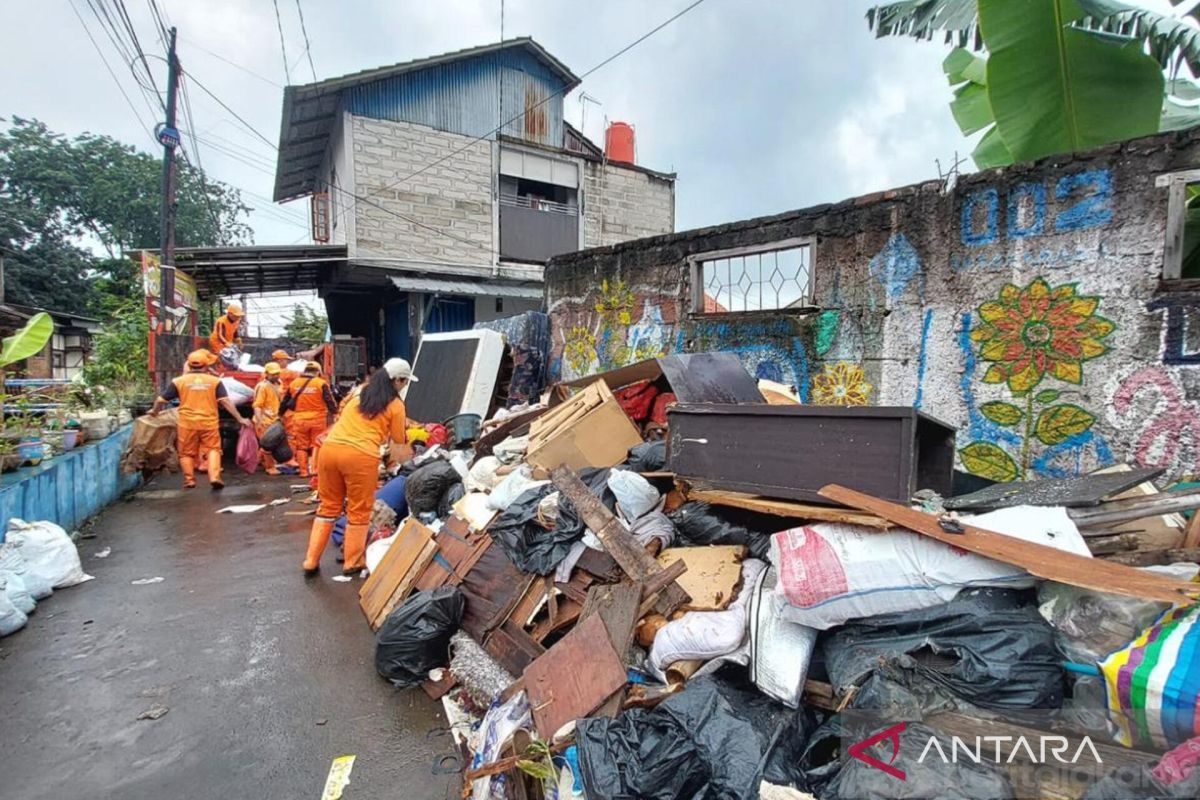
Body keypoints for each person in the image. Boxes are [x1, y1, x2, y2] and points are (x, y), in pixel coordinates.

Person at [303, 358, 418, 577]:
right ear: (398, 380)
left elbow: (341, 413)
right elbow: (397, 438)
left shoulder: (359, 392)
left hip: (329, 450)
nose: (404, 386)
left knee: (328, 507)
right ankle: (353, 562)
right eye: (404, 382)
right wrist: (411, 435)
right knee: (359, 510)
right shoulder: (395, 405)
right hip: (360, 456)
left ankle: (310, 560)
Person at [151, 349, 251, 489]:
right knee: (213, 450)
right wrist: (240, 418)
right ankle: (215, 477)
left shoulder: (178, 381)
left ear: (189, 365)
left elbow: (161, 400)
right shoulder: (214, 381)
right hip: (208, 423)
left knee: (186, 453)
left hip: (187, 423)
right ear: (206, 366)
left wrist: (154, 412)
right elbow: (225, 402)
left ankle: (189, 480)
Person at [283, 360, 337, 478]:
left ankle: (303, 471)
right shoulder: (321, 383)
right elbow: (330, 401)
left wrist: (279, 415)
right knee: (316, 445)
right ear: (318, 372)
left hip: (299, 420)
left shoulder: (294, 383)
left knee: (301, 446)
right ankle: (315, 470)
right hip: (318, 420)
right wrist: (335, 414)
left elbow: (285, 402)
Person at [253, 362, 285, 475]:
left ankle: (256, 461)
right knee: (268, 445)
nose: (276, 375)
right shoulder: (263, 387)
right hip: (265, 420)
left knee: (267, 444)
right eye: (273, 374)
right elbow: (257, 405)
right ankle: (270, 467)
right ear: (266, 374)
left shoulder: (279, 384)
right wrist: (259, 421)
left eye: (277, 373)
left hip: (274, 419)